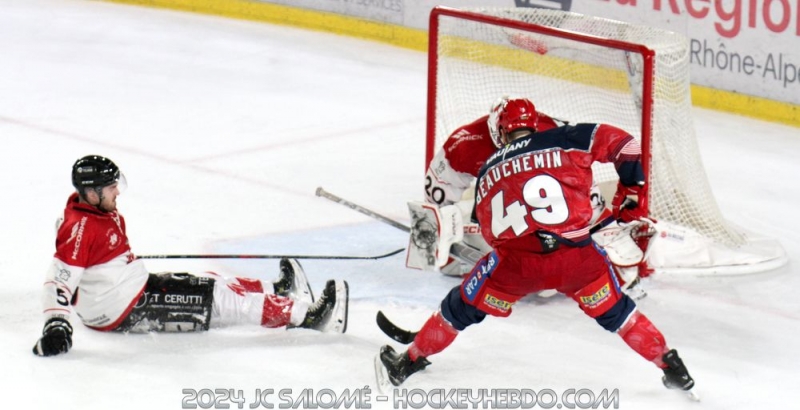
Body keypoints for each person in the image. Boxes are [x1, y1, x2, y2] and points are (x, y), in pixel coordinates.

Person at [377, 99, 695, 394]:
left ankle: (410, 360)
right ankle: (670, 365)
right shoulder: (567, 138)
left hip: (516, 268)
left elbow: (491, 234)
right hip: (578, 260)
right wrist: (631, 193)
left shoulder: (488, 168)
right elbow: (628, 146)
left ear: (501, 132)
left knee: (458, 307)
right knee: (619, 315)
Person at [33, 155, 349, 357]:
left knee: (210, 282)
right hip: (124, 307)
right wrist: (56, 324)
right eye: (111, 187)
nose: (118, 192)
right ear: (91, 192)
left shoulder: (94, 212)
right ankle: (307, 316)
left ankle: (275, 289)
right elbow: (58, 280)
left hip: (128, 292)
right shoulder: (81, 227)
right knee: (223, 301)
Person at [423, 97, 647, 299]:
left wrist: (603, 226)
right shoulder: (466, 144)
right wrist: (439, 232)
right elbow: (436, 194)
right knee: (459, 253)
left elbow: (582, 188)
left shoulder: (554, 129)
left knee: (602, 237)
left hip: (543, 205)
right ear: (497, 131)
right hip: (503, 213)